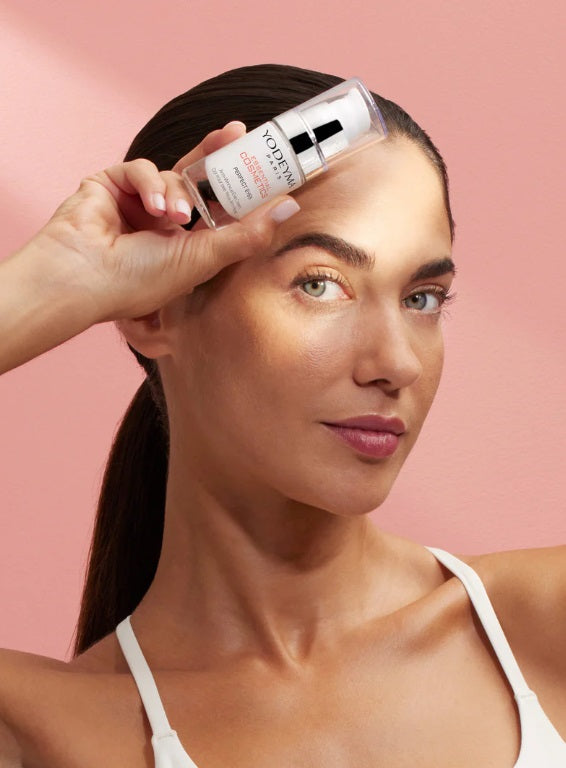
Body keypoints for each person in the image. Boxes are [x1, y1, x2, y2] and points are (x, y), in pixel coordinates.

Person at [0, 63, 564, 767]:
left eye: (421, 298)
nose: (396, 362)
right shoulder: (40, 731)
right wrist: (62, 276)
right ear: (154, 310)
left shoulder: (544, 626)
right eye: (321, 285)